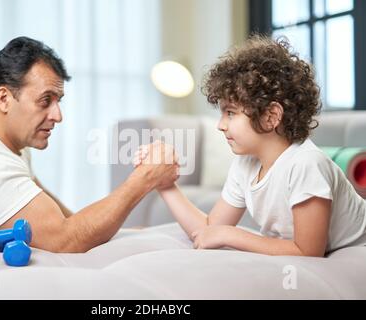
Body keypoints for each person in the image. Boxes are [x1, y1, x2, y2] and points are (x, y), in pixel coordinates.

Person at [0, 36, 179, 252]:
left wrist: (121, 233)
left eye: (58, 101)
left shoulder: (5, 143)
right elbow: (66, 239)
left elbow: (59, 215)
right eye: (45, 101)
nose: (57, 115)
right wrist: (144, 179)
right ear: (5, 99)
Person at [134, 35, 366, 257]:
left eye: (231, 113)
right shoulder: (245, 164)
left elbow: (308, 252)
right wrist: (165, 185)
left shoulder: (305, 164)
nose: (220, 125)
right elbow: (209, 228)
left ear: (271, 116)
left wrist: (232, 235)